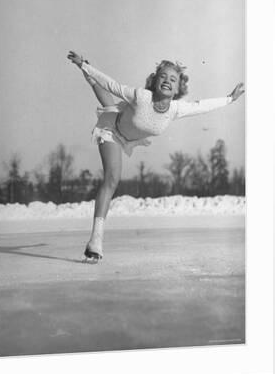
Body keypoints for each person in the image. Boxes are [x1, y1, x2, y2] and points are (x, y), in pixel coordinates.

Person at [67, 50, 245, 262]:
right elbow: (112, 85)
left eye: (173, 79)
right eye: (163, 76)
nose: (167, 81)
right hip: (111, 131)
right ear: (154, 80)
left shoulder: (176, 109)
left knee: (110, 106)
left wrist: (229, 99)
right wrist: (84, 66)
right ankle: (95, 241)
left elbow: (202, 106)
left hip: (129, 136)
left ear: (179, 88)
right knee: (112, 178)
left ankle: (91, 79)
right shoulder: (142, 96)